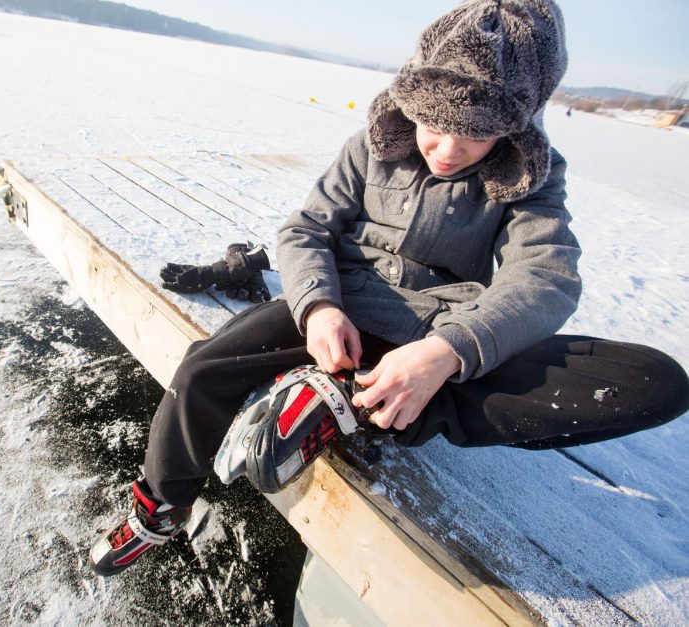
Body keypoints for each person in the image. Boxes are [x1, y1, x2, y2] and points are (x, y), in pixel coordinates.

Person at [88, 0, 689, 576]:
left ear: (512, 130)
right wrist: (317, 306)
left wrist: (444, 353)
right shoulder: (373, 148)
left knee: (653, 382)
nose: (447, 150)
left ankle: (354, 403)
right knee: (202, 369)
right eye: (435, 125)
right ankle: (162, 509)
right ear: (412, 99)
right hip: (344, 309)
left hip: (441, 337)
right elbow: (306, 229)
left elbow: (545, 275)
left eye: (474, 136)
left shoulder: (527, 181)